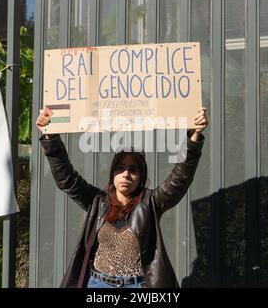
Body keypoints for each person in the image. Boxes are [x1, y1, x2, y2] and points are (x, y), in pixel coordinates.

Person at [36, 106, 208, 288]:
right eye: (120, 168)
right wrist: (50, 136)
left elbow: (180, 178)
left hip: (137, 286)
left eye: (133, 170)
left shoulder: (151, 202)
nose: (126, 174)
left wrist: (194, 136)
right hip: (98, 284)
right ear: (112, 174)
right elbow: (66, 178)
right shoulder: (97, 201)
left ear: (141, 177)